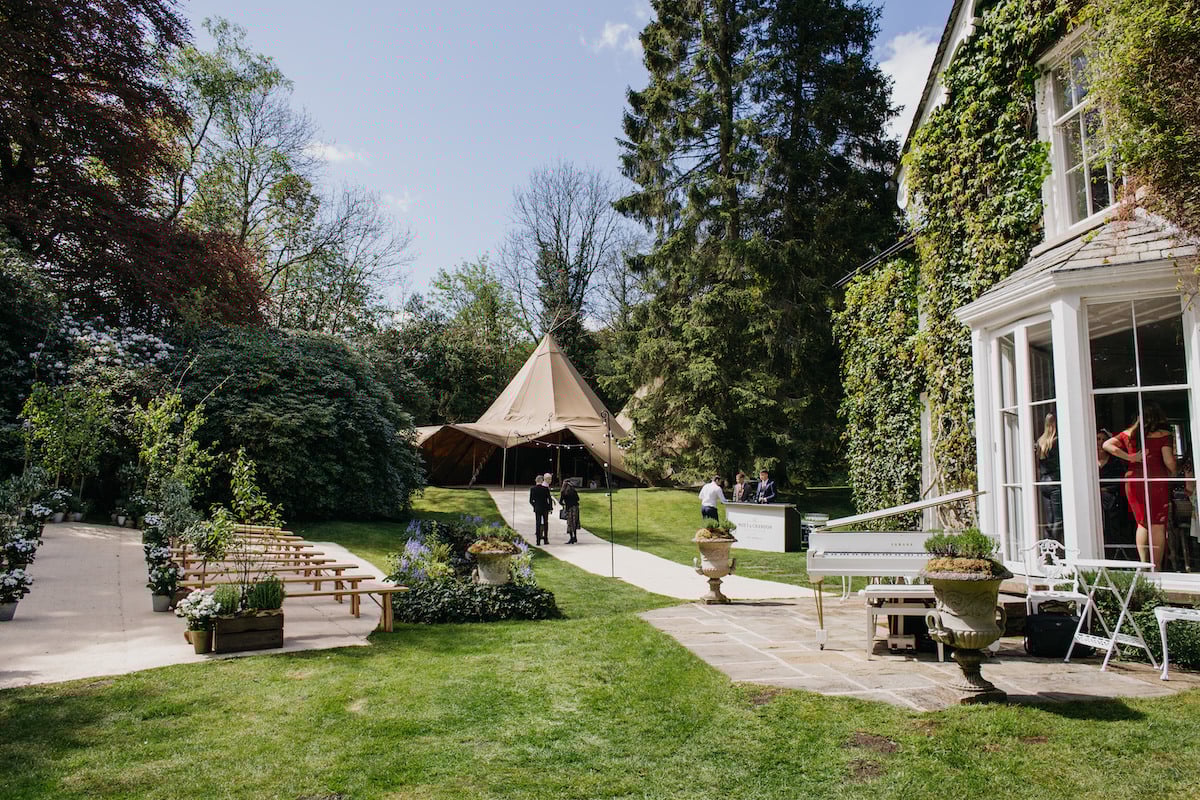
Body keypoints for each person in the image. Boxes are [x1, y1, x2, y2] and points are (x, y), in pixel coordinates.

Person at [1104, 403, 1177, 569]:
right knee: (1157, 524)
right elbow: (1169, 461)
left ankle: (1144, 564)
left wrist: (1130, 457)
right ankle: (1156, 567)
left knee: (1142, 523)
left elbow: (1106, 444)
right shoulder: (1164, 435)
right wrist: (1174, 471)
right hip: (1156, 480)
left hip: (1134, 481)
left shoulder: (1129, 433)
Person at [1097, 427, 1130, 549]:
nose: (1100, 442)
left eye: (1104, 439)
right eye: (1098, 439)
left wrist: (1103, 490)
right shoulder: (1088, 461)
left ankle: (1113, 545)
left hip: (1111, 496)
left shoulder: (1115, 462)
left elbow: (1118, 481)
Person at [1036, 413, 1062, 541]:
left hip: (1044, 481)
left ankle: (1048, 548)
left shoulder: (1041, 441)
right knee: (1058, 519)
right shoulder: (1055, 441)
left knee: (1049, 518)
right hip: (1054, 481)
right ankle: (1056, 547)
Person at [529, 475, 554, 546]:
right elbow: (549, 499)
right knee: (545, 523)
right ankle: (545, 539)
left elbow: (531, 500)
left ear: (536, 481)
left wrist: (535, 506)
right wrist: (550, 508)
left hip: (537, 508)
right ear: (542, 481)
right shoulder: (545, 489)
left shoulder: (533, 489)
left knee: (538, 523)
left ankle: (538, 541)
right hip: (545, 508)